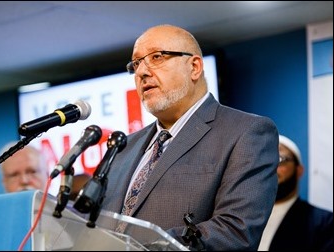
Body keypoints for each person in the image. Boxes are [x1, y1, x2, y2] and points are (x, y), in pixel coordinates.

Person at [99, 24, 280, 250]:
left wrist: (135, 247)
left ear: (194, 67)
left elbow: (236, 232)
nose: (142, 72)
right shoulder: (124, 146)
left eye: (157, 57)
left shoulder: (247, 132)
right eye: (136, 64)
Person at [258, 135, 333, 251]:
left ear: (299, 170)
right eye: (264, 160)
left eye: (279, 159)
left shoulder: (324, 222)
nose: (271, 166)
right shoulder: (240, 216)